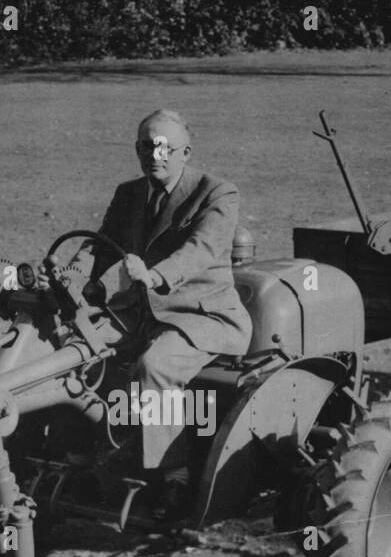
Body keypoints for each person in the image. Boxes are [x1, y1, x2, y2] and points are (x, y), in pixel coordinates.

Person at [61, 109, 253, 520]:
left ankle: (175, 478)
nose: (156, 154)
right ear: (137, 150)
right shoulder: (129, 193)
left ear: (185, 151)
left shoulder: (217, 193)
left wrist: (155, 275)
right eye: (148, 146)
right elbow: (102, 244)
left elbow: (200, 250)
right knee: (74, 350)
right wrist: (73, 273)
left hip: (202, 314)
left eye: (166, 147)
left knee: (156, 365)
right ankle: (82, 459)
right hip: (138, 312)